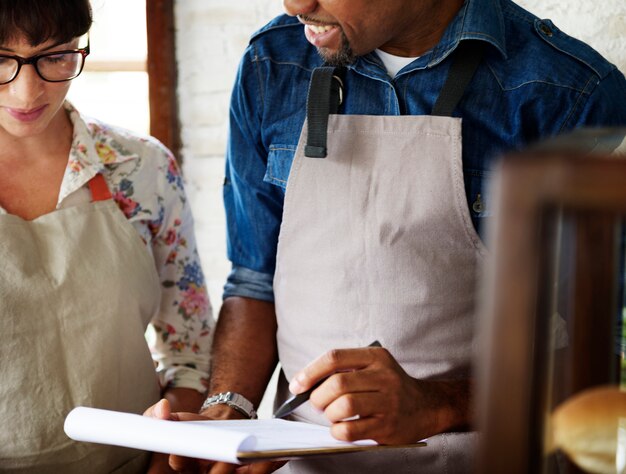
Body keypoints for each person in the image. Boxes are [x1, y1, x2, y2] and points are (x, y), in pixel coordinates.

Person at [149, 0, 626, 472]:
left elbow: (606, 357)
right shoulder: (269, 64)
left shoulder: (572, 93)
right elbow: (255, 279)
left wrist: (442, 403)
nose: (295, 5)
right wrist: (230, 409)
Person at [0, 1, 213, 472]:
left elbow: (189, 346)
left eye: (55, 56)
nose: (27, 91)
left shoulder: (142, 168)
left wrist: (169, 450)